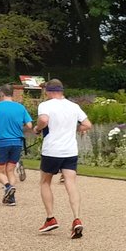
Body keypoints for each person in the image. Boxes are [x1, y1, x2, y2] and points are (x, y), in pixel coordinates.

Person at [34, 79, 91, 238]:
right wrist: (77, 129)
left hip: (52, 149)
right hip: (70, 150)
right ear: (61, 90)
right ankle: (76, 218)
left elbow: (44, 120)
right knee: (71, 183)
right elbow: (87, 124)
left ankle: (50, 218)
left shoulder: (46, 105)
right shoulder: (74, 106)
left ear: (49, 91)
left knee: (45, 182)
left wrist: (38, 128)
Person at [0, 84, 32, 206]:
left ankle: (7, 187)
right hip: (17, 142)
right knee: (10, 170)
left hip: (1, 141)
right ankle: (11, 198)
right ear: (12, 93)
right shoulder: (20, 107)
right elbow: (30, 125)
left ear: (1, 93)